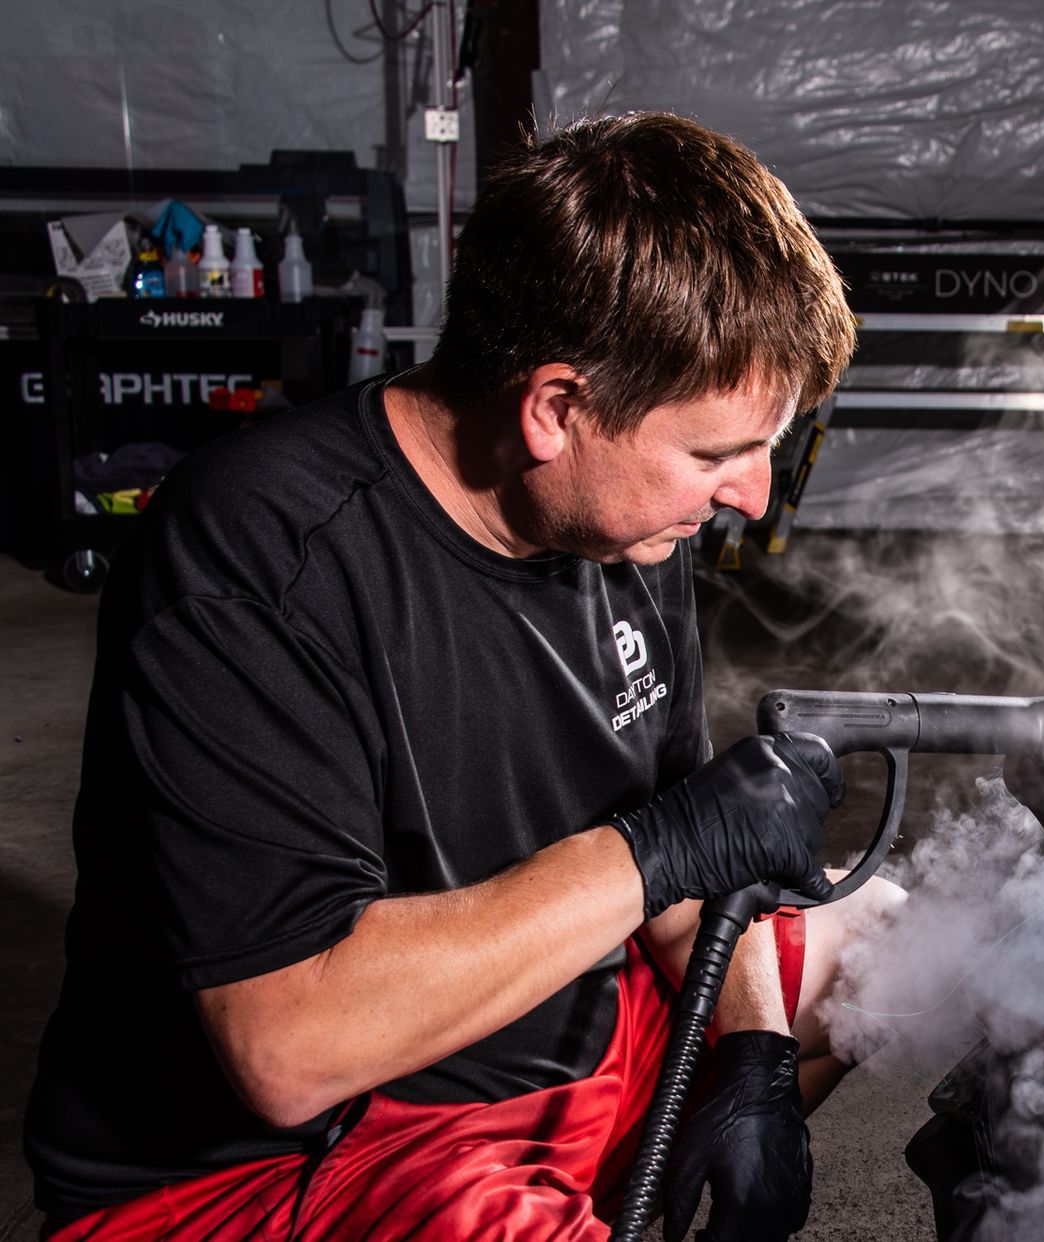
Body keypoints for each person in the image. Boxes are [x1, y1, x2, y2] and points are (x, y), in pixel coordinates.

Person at [25, 111, 889, 1241]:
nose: (752, 497)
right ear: (558, 411)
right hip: (283, 1159)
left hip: (533, 1044)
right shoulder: (259, 558)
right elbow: (291, 1049)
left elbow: (687, 872)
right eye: (718, 453)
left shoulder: (623, 525)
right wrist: (657, 850)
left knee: (909, 949)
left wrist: (758, 1056)